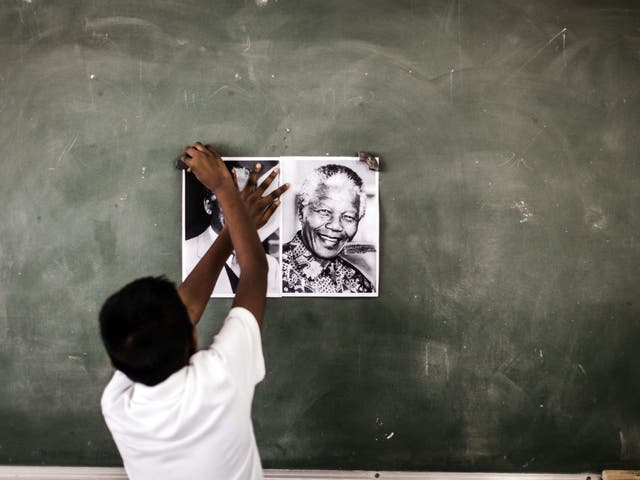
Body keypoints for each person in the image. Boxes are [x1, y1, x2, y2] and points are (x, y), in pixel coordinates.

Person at [99, 142, 288, 480]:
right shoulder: (220, 379)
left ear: (115, 362)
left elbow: (196, 301)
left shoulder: (117, 405)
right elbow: (257, 269)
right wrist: (224, 188)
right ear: (193, 333)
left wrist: (232, 226)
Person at [183, 162, 282, 296]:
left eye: (248, 201)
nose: (240, 211)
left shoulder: (270, 267)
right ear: (208, 205)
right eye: (230, 200)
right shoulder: (186, 254)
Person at [282, 163, 375, 294]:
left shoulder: (360, 285)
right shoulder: (272, 271)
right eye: (324, 211)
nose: (336, 226)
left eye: (348, 217)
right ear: (301, 213)